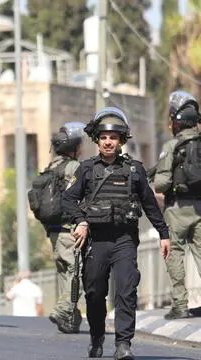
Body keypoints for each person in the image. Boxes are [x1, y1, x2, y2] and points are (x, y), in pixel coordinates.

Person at [62, 107, 171, 360]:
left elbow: (150, 204)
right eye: (103, 137)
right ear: (97, 140)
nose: (108, 141)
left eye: (113, 137)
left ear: (121, 140)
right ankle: (97, 337)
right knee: (95, 293)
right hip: (96, 241)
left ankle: (123, 344)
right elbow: (68, 200)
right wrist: (81, 221)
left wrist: (164, 234)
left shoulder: (134, 171)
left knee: (126, 291)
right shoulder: (87, 170)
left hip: (124, 240)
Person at [29, 122, 85, 333]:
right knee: (77, 271)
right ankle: (63, 310)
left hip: (53, 232)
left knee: (65, 273)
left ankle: (70, 319)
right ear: (74, 148)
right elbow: (79, 197)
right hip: (69, 230)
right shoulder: (73, 168)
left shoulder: (50, 167)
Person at [153, 91, 201, 321]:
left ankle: (180, 305)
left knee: (174, 255)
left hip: (177, 210)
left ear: (176, 121)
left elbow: (161, 184)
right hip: (200, 208)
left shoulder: (172, 145)